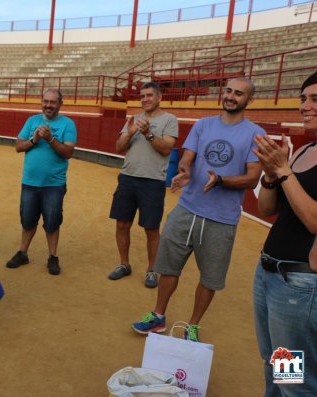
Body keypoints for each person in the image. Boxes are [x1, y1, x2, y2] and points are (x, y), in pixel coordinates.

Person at [131, 78, 265, 342]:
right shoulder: (203, 124)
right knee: (168, 266)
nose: (230, 96)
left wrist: (221, 181)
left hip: (222, 218)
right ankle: (158, 315)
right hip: (187, 208)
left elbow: (252, 178)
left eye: (238, 93)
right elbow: (188, 157)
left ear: (249, 100)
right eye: (228, 91)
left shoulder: (255, 134)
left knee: (210, 277)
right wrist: (185, 171)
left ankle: (193, 325)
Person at [253, 71, 317, 396]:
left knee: (296, 381)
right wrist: (269, 176)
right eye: (303, 99)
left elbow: (314, 221)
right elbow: (267, 209)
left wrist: (283, 170)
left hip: (298, 283)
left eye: (315, 99)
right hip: (269, 273)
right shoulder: (305, 151)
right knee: (275, 363)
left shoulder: (295, 160)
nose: (305, 106)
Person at [107, 82, 179, 288]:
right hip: (128, 177)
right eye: (142, 96)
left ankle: (151, 270)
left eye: (149, 95)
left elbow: (167, 149)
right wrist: (130, 133)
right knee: (122, 224)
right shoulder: (135, 119)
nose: (145, 99)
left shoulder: (169, 119)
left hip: (153, 181)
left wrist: (147, 133)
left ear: (158, 98)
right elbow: (119, 147)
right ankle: (124, 264)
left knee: (151, 228)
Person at [5, 89, 77, 276]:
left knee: (52, 221)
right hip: (30, 181)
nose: (48, 105)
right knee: (27, 220)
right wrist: (34, 139)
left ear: (60, 104)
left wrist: (51, 139)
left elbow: (68, 152)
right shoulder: (32, 121)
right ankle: (23, 253)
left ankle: (53, 257)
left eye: (53, 102)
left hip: (54, 183)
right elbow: (18, 147)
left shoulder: (68, 124)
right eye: (46, 101)